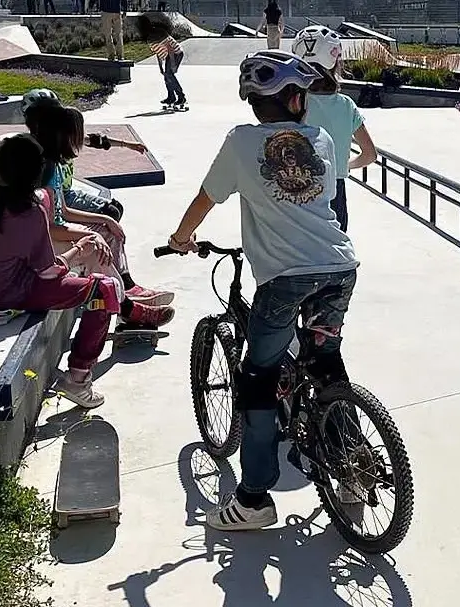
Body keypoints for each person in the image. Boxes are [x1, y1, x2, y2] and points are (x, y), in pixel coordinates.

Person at [167, 50, 361, 531]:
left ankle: (254, 500)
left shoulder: (240, 142)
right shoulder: (320, 139)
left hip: (284, 278)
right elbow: (322, 201)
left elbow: (206, 198)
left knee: (257, 378)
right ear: (296, 100)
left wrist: (180, 238)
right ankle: (352, 469)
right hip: (339, 266)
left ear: (255, 103)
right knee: (326, 361)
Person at [0, 133, 121, 408]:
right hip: (7, 292)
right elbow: (49, 272)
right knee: (104, 290)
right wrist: (80, 249)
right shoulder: (31, 211)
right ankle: (78, 380)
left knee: (77, 278)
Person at [26, 103, 177, 323]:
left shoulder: (54, 163)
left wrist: (106, 220)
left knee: (110, 230)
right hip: (44, 244)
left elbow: (64, 212)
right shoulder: (45, 171)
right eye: (76, 135)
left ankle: (126, 288)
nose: (79, 141)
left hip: (54, 233)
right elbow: (49, 229)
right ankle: (128, 309)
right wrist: (90, 236)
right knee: (96, 247)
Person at [291, 25, 378, 232]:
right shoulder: (346, 105)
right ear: (335, 61)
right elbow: (370, 155)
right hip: (335, 189)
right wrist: (343, 166)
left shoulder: (295, 102)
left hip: (300, 189)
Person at [22, 88, 136, 221]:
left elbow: (96, 140)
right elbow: (58, 212)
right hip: (57, 200)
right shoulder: (40, 154)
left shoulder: (63, 138)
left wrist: (126, 144)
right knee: (111, 211)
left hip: (66, 194)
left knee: (115, 208)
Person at [137, 12, 187, 108]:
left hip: (176, 53)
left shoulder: (159, 32)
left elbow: (170, 48)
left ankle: (181, 97)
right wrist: (161, 68)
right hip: (168, 55)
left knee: (169, 74)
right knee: (166, 76)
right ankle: (171, 97)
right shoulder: (149, 38)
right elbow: (158, 52)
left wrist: (173, 64)